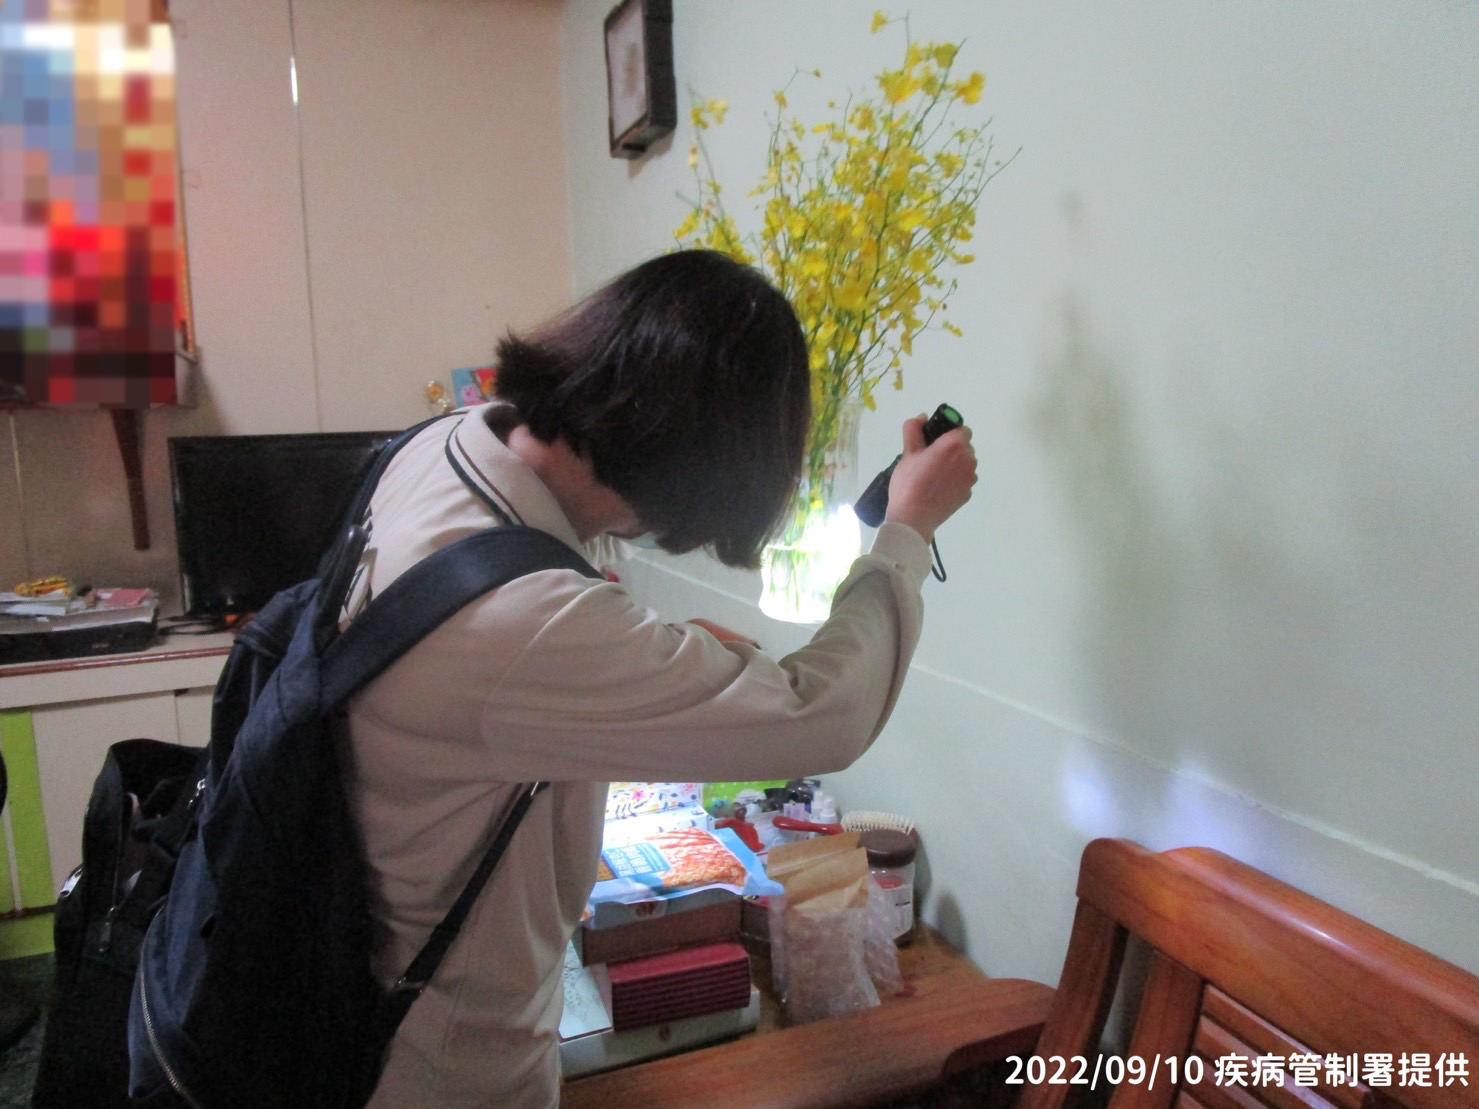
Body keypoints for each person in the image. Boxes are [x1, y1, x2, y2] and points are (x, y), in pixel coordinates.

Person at [341, 248, 977, 1107]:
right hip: (437, 1065)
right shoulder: (524, 620)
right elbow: (818, 714)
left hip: (357, 973)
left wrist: (657, 650)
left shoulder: (444, 445)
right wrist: (906, 530)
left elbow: (504, 657)